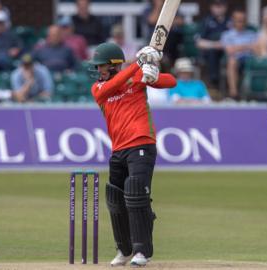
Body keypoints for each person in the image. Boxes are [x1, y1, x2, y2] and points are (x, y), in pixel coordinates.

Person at [89, 43, 176, 267]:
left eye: (101, 67)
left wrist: (153, 75)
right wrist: (138, 63)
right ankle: (124, 250)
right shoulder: (98, 89)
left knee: (136, 195)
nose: (98, 71)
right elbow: (115, 85)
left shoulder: (136, 77)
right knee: (116, 200)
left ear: (113, 65)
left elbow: (171, 81)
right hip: (118, 149)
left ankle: (141, 252)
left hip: (142, 143)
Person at [221, 9, 258, 98]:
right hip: (236, 60)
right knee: (232, 61)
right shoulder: (227, 35)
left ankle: (256, 94)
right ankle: (234, 93)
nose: (241, 22)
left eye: (243, 20)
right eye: (239, 20)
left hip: (250, 59)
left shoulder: (252, 34)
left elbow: (257, 49)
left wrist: (237, 47)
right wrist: (247, 46)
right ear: (233, 20)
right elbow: (230, 50)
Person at [197, 0, 229, 88]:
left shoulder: (230, 21)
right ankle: (213, 82)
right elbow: (199, 42)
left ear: (225, 7)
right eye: (216, 5)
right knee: (212, 52)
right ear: (211, 7)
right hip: (210, 51)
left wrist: (224, 45)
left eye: (221, 5)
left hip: (227, 51)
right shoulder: (206, 21)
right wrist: (214, 44)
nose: (218, 8)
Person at [143, 0, 183, 67]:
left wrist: (165, 23)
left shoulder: (171, 6)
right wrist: (158, 6)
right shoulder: (148, 8)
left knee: (173, 35)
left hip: (172, 42)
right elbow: (152, 20)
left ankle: (168, 60)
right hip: (154, 41)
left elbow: (180, 21)